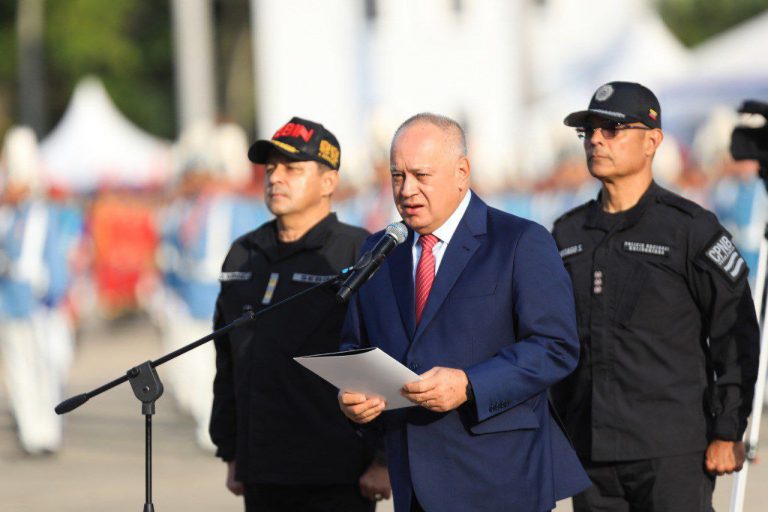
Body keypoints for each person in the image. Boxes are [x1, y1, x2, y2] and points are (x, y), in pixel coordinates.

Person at [338, 113, 591, 512]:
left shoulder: (519, 241)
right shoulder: (379, 251)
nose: (406, 190)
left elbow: (555, 347)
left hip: (499, 479)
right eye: (397, 176)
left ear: (462, 172)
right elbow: (356, 346)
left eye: (421, 175)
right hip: (413, 482)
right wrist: (353, 398)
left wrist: (470, 384)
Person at [550, 81, 761, 512]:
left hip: (670, 452)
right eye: (588, 131)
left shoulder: (690, 229)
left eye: (612, 130)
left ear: (652, 141)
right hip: (589, 452)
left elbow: (735, 329)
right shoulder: (567, 233)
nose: (595, 140)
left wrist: (728, 429)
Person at [209, 117, 390, 512]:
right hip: (262, 468)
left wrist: (383, 460)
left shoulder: (358, 252)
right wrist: (231, 449)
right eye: (270, 169)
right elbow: (228, 359)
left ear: (328, 182)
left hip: (337, 471)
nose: (276, 178)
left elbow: (385, 356)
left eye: (292, 169)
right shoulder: (244, 253)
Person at [0, 126, 83, 455]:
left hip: (39, 305)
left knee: (46, 369)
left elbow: (56, 262)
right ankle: (31, 433)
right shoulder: (8, 218)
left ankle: (48, 431)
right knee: (19, 370)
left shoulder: (44, 215)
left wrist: (54, 295)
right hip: (10, 304)